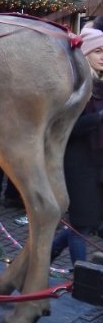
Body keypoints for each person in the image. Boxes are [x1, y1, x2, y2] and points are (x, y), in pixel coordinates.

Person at [51, 26, 103, 267]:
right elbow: (65, 127)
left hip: (96, 162)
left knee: (86, 223)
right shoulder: (74, 84)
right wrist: (97, 118)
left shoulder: (100, 84)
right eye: (99, 51)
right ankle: (81, 277)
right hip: (77, 162)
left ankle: (42, 256)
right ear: (86, 52)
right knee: (79, 224)